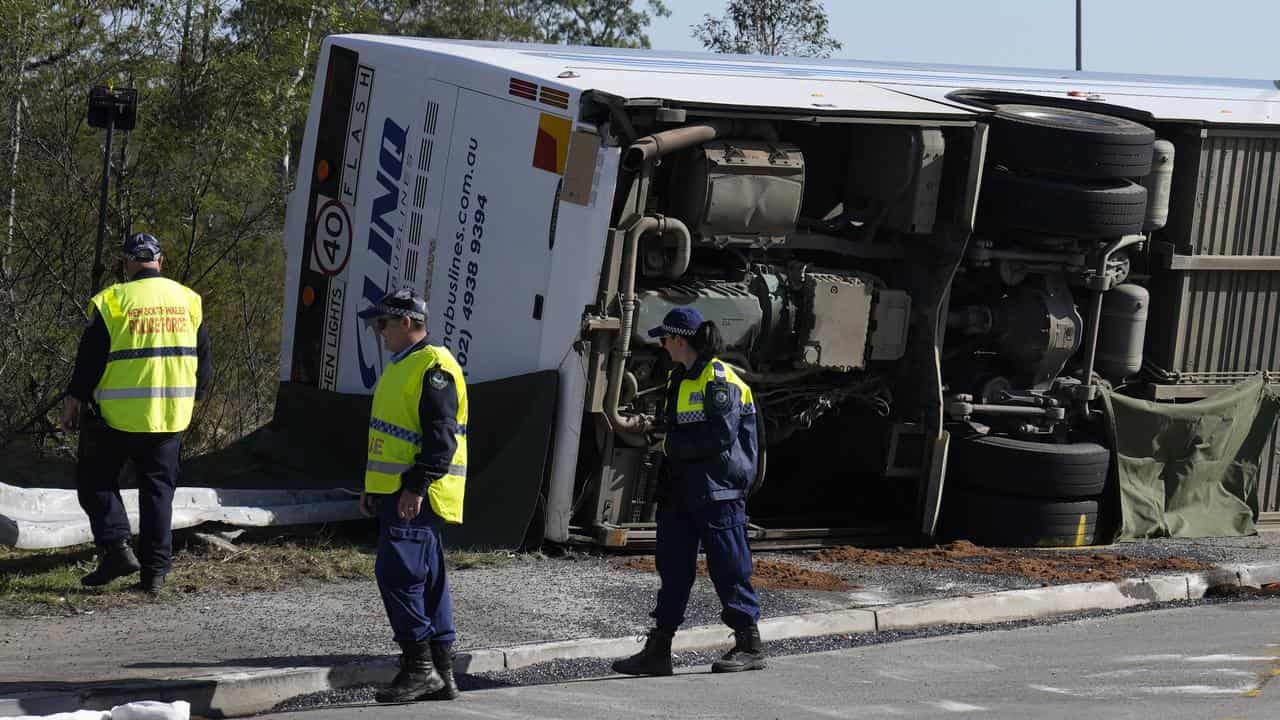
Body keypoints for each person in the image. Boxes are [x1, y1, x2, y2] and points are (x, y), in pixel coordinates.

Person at [612, 306, 766, 677]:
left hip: (718, 491)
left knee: (729, 568)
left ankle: (749, 645)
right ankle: (659, 649)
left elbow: (720, 436)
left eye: (665, 339)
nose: (662, 346)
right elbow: (684, 425)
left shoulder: (718, 379)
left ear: (680, 340)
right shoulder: (679, 378)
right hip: (684, 490)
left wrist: (668, 442)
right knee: (674, 569)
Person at [60, 232, 211, 595]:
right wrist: (197, 396)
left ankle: (116, 548)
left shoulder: (113, 300)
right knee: (158, 492)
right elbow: (203, 361)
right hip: (170, 416)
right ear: (161, 261)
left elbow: (89, 361)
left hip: (117, 417)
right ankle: (155, 575)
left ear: (127, 263)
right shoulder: (188, 300)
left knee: (95, 482)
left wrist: (74, 400)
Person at [356, 287, 468, 703]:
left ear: (406, 323)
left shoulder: (432, 367)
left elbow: (442, 439)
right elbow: (393, 433)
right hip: (398, 491)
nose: (379, 332)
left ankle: (420, 667)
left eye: (383, 324)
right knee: (429, 581)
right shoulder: (407, 364)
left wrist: (415, 485)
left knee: (398, 576)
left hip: (415, 494)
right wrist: (375, 486)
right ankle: (441, 671)